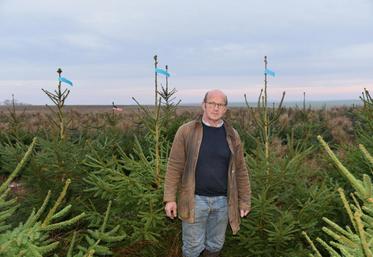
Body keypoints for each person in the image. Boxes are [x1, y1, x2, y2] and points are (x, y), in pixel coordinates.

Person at [164, 89, 251, 257]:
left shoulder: (232, 135)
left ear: (225, 109)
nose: (215, 108)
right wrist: (169, 199)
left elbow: (240, 169)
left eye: (220, 105)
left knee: (215, 245)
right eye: (212, 103)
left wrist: (245, 201)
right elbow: (174, 166)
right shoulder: (186, 131)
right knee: (192, 247)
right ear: (203, 105)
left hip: (223, 202)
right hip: (194, 200)